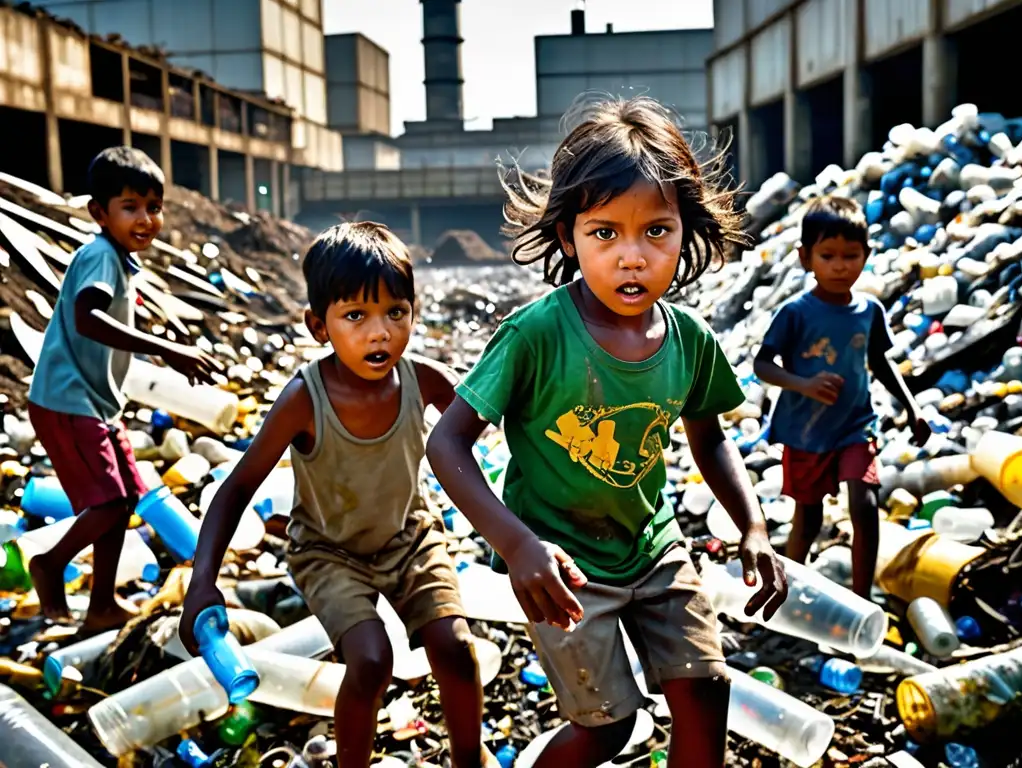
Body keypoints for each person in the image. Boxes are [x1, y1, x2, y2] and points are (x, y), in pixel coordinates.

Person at [426, 97, 789, 768]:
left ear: (686, 233)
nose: (632, 257)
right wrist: (518, 545)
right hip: (560, 566)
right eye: (605, 234)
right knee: (606, 728)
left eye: (656, 231)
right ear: (569, 237)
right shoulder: (537, 333)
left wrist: (753, 526)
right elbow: (447, 443)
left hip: (654, 549)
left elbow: (709, 440)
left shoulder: (689, 340)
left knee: (706, 691)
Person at [180, 222, 494, 768]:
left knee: (456, 650)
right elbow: (237, 487)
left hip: (412, 538)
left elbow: (490, 420)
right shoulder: (306, 399)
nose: (380, 334)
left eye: (396, 313)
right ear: (318, 325)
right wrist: (202, 580)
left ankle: (470, 759)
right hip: (329, 553)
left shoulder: (426, 380)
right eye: (356, 316)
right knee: (371, 661)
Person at [26, 146, 221, 632]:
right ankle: (49, 564)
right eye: (130, 207)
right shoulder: (98, 256)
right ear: (99, 212)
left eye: (154, 207)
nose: (145, 219)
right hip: (66, 401)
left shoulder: (117, 259)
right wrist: (167, 350)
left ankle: (102, 606)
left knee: (127, 498)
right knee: (108, 502)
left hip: (97, 402)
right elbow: (86, 318)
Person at [753, 195, 931, 598]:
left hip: (855, 424)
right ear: (805, 258)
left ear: (866, 256)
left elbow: (880, 363)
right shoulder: (795, 313)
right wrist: (803, 384)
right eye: (827, 255)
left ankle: (862, 600)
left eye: (850, 256)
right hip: (806, 432)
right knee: (809, 519)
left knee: (866, 507)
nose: (839, 266)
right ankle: (787, 593)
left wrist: (913, 408)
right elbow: (762, 365)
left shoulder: (869, 310)